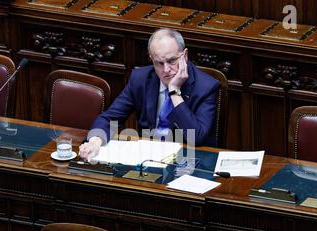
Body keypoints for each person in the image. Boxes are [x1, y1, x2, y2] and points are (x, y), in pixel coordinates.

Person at [79, 28, 220, 161]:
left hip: (187, 159)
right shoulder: (140, 79)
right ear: (152, 60)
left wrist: (174, 92)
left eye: (172, 61)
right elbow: (110, 118)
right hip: (148, 158)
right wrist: (95, 141)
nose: (166, 69)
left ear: (185, 56)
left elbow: (197, 137)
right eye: (159, 63)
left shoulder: (206, 87)